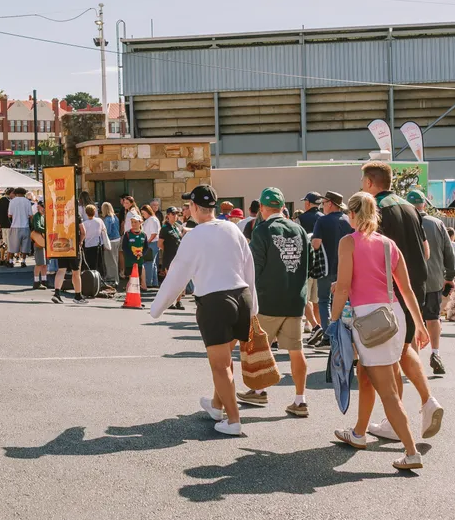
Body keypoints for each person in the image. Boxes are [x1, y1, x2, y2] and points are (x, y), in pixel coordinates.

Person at [151, 185, 258, 436]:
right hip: (241, 296)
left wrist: (157, 308)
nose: (187, 209)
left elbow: (178, 275)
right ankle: (216, 405)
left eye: (189, 206)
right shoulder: (233, 228)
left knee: (219, 365)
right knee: (225, 360)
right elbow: (248, 266)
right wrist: (253, 305)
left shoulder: (194, 236)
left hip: (215, 301)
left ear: (196, 208)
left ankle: (233, 420)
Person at [330, 192, 426, 470]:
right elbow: (405, 289)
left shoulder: (348, 242)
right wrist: (419, 324)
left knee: (388, 390)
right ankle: (359, 433)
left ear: (351, 214)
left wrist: (333, 321)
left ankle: (411, 451)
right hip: (394, 314)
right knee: (372, 377)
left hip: (369, 320)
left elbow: (345, 287)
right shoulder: (388, 244)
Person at [360, 161, 443, 443]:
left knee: (389, 354)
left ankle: (395, 421)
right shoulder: (410, 207)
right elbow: (426, 250)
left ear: (370, 183)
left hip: (389, 289)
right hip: (415, 284)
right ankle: (427, 400)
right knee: (404, 347)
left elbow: (373, 250)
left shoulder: (376, 209)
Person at [237, 187, 313, 417]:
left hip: (268, 300)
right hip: (295, 300)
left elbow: (253, 269)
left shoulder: (261, 231)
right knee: (296, 351)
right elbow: (307, 266)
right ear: (282, 207)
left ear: (261, 207)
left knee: (259, 348)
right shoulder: (299, 229)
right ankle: (300, 400)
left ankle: (258, 390)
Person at [405, 190, 455, 376]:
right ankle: (435, 353)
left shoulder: (404, 223)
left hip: (409, 281)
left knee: (411, 319)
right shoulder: (437, 224)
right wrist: (449, 275)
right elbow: (448, 252)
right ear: (424, 205)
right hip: (434, 279)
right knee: (433, 317)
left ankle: (415, 359)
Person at [310, 191, 352, 347]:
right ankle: (344, 333)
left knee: (324, 301)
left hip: (327, 267)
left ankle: (328, 335)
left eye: (324, 203)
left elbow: (316, 244)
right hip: (346, 266)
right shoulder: (349, 220)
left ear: (330, 204)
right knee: (343, 301)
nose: (322, 206)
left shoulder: (322, 221)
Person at [158, 207, 185, 310]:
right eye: (173, 214)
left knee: (180, 280)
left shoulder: (178, 226)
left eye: (176, 214)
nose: (175, 216)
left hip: (179, 257)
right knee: (172, 280)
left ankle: (179, 301)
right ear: (168, 215)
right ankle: (170, 302)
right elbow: (160, 244)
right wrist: (168, 250)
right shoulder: (165, 228)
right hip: (169, 257)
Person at [120, 216, 150, 294]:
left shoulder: (144, 235)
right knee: (131, 278)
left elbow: (146, 247)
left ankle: (135, 294)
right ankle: (129, 295)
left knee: (137, 279)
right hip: (130, 261)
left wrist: (142, 254)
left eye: (135, 222)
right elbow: (124, 247)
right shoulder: (127, 234)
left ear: (140, 223)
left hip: (139, 261)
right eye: (132, 222)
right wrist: (131, 255)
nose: (133, 224)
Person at [81, 203, 110, 278]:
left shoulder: (84, 223)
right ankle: (100, 278)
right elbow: (104, 230)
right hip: (98, 245)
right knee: (99, 263)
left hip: (88, 245)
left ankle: (91, 278)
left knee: (89, 264)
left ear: (86, 213)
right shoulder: (99, 221)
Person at [8, 187, 34, 265]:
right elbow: (30, 215)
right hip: (25, 226)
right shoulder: (27, 202)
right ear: (24, 193)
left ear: (16, 193)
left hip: (15, 225)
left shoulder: (12, 201)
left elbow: (9, 215)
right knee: (25, 245)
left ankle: (11, 261)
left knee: (13, 245)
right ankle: (23, 261)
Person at [140, 204, 161, 289]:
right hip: (153, 243)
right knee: (153, 264)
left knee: (148, 263)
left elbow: (154, 233)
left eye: (143, 212)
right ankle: (154, 282)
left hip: (152, 243)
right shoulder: (151, 219)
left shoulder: (152, 220)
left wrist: (147, 242)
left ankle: (148, 282)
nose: (142, 214)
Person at [30, 200, 49, 289]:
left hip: (43, 241)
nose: (44, 209)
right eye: (42, 207)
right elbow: (37, 227)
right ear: (39, 207)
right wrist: (47, 230)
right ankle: (36, 281)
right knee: (39, 263)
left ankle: (44, 280)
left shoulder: (43, 216)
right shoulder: (37, 216)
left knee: (45, 263)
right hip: (39, 241)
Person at [101, 201, 120, 283]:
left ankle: (112, 278)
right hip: (117, 239)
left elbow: (107, 232)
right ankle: (116, 277)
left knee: (109, 260)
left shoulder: (107, 219)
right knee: (115, 259)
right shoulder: (115, 217)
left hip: (111, 240)